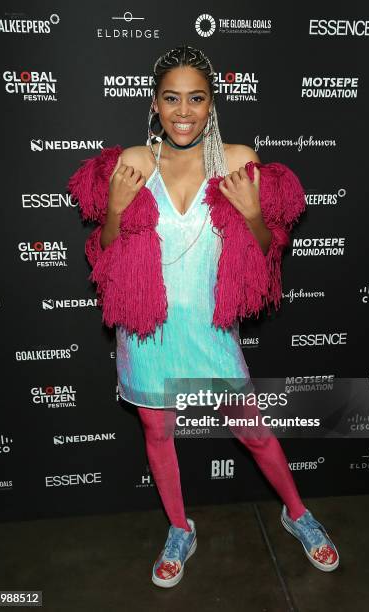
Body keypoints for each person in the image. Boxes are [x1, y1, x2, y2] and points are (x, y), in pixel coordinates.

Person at [68, 45, 339, 588]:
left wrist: (256, 214)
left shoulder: (238, 161)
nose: (184, 111)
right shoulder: (135, 165)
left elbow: (266, 256)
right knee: (158, 431)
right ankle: (178, 528)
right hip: (146, 335)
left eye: (196, 98)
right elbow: (106, 257)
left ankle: (298, 514)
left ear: (211, 104)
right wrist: (118, 208)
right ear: (155, 104)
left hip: (210, 332)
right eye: (172, 99)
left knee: (255, 431)